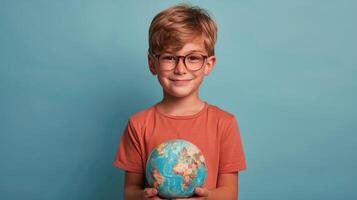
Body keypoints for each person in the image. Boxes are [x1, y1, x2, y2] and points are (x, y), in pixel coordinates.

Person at [113, 4, 246, 200]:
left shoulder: (224, 123)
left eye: (192, 58)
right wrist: (142, 197)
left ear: (208, 65)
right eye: (169, 57)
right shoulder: (138, 124)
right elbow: (130, 191)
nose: (180, 69)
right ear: (152, 64)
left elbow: (230, 193)